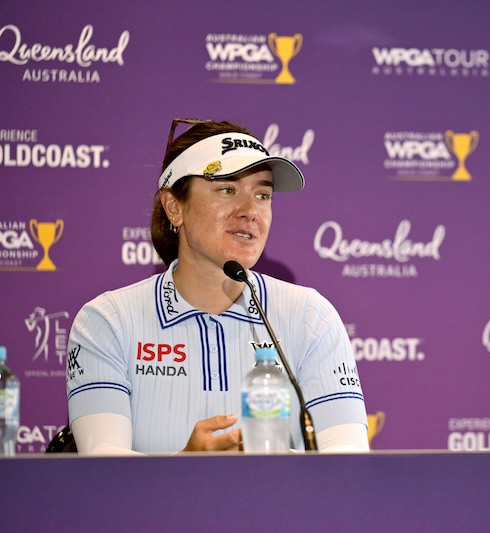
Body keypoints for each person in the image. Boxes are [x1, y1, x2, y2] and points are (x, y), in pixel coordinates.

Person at [66, 118, 369, 454]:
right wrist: (188, 467)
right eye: (227, 189)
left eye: (263, 194)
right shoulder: (108, 321)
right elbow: (103, 465)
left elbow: (347, 459)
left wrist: (263, 468)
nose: (250, 211)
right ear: (174, 207)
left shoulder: (311, 317)